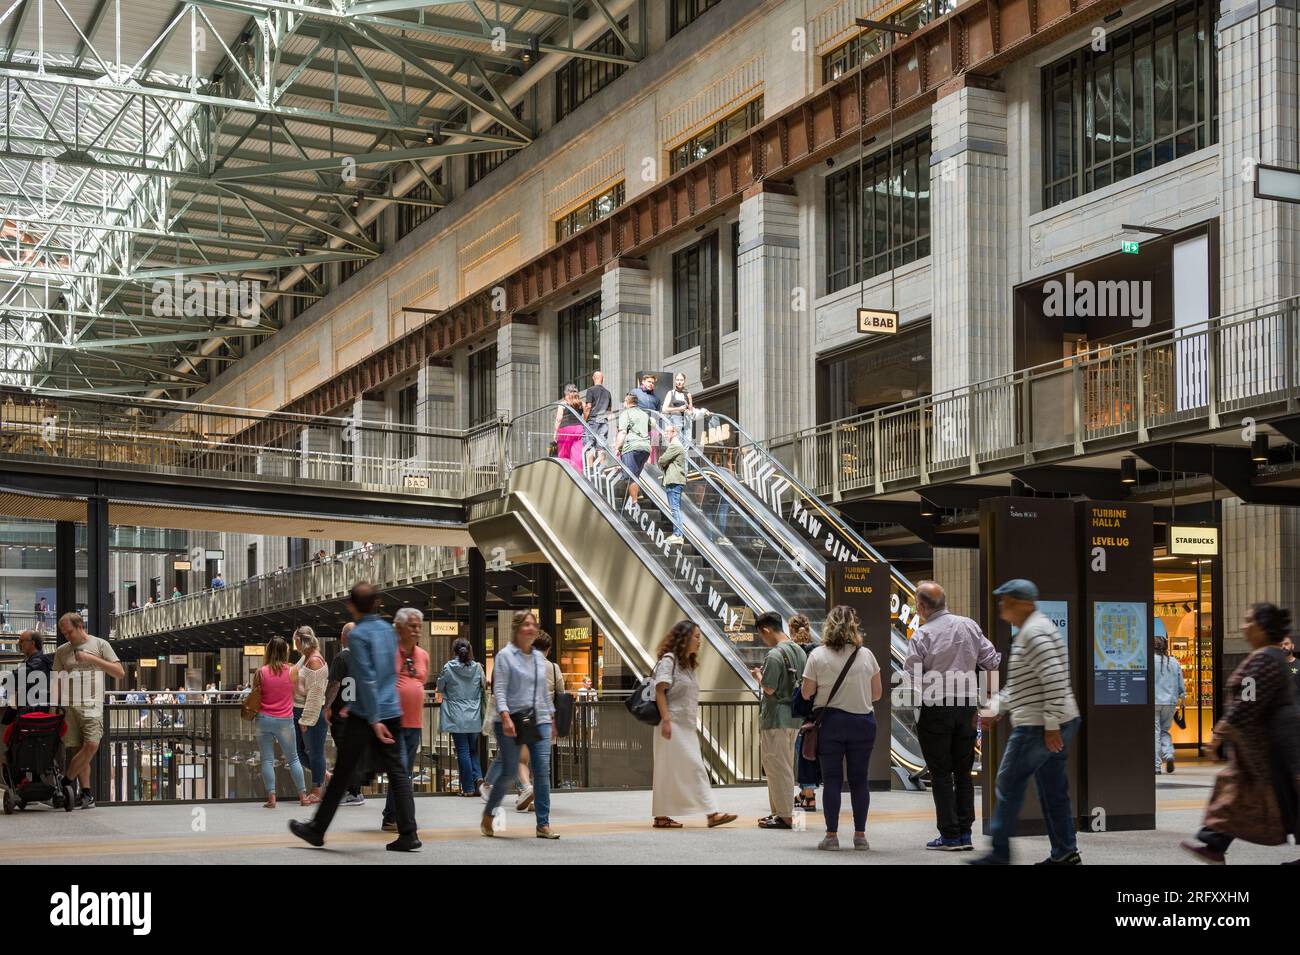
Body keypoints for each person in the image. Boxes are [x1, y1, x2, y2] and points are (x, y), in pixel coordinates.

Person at [290, 582, 420, 851]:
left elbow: (367, 678)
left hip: (367, 715)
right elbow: (388, 673)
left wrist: (372, 718)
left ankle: (316, 830)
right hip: (393, 709)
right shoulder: (387, 631)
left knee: (342, 773)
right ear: (377, 604)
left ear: (350, 605)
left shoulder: (359, 636)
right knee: (398, 771)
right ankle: (409, 833)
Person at [973, 579, 1082, 866]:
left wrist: (1050, 725)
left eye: (1006, 600)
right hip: (1048, 720)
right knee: (1052, 788)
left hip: (1036, 725)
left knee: (1008, 782)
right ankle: (1065, 854)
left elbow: (1055, 679)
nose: (1001, 605)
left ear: (1025, 603)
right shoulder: (1030, 632)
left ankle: (999, 853)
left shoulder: (1034, 633)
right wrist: (994, 707)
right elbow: (1021, 686)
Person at [1181, 602, 1300, 864]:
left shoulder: (1265, 659)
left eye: (1249, 621)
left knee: (1283, 798)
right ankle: (1214, 842)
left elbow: (1246, 703)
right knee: (1242, 793)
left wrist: (1218, 735)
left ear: (1262, 628)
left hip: (1276, 747)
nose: (1244, 626)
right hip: (1266, 746)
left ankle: (1214, 842)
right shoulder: (1267, 657)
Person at [903, 580, 1001, 851]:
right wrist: (989, 704)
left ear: (921, 607)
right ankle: (965, 833)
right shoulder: (968, 625)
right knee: (962, 773)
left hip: (936, 709)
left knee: (941, 774)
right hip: (968, 708)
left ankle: (949, 835)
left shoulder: (921, 635)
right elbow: (992, 662)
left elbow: (912, 679)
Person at [800, 604, 882, 850]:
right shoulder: (866, 655)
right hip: (863, 723)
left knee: (833, 781)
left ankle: (832, 836)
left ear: (828, 626)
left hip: (832, 724)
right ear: (854, 626)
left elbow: (806, 693)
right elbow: (876, 694)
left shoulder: (817, 655)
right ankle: (860, 836)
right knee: (859, 781)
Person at [650, 620, 737, 830]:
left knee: (668, 770)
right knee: (695, 767)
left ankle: (661, 816)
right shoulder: (669, 660)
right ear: (684, 638)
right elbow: (659, 690)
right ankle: (712, 813)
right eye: (696, 636)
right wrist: (667, 721)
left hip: (685, 725)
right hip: (671, 724)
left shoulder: (688, 664)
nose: (699, 641)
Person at [480, 610, 559, 839]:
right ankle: (489, 814)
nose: (531, 628)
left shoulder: (536, 657)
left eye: (534, 624)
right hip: (510, 719)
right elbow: (500, 689)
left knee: (542, 770)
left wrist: (551, 716)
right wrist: (504, 716)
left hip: (538, 719)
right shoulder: (505, 656)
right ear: (516, 628)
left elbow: (542, 691)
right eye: (526, 624)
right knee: (507, 772)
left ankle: (542, 824)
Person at [52, 612, 124, 810]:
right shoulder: (62, 651)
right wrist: (54, 708)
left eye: (69, 632)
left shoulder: (100, 645)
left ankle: (65, 781)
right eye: (64, 634)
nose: (67, 637)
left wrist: (90, 659)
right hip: (69, 705)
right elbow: (57, 680)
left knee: (91, 744)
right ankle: (86, 793)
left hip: (92, 704)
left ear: (80, 627)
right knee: (77, 748)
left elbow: (119, 672)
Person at [751, 611, 806, 830]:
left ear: (766, 630)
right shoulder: (799, 652)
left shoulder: (774, 655)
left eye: (761, 635)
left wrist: (758, 677)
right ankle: (779, 813)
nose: (763, 639)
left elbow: (770, 688)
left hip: (776, 718)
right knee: (784, 765)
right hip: (794, 716)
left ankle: (784, 815)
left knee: (777, 766)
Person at [383, 607, 428, 833]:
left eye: (419, 626)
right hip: (394, 723)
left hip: (415, 724)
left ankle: (390, 816)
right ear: (399, 627)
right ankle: (404, 821)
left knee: (403, 772)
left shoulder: (423, 655)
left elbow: (422, 680)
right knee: (401, 772)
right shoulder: (389, 652)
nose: (417, 630)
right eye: (412, 626)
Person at [253, 636, 312, 809]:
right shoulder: (292, 671)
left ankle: (272, 798)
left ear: (269, 651)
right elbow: (298, 692)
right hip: (285, 720)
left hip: (264, 719)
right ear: (285, 651)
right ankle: (303, 796)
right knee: (293, 759)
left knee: (267, 760)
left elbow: (255, 695)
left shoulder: (260, 672)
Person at [436, 637, 486, 796]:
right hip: (474, 714)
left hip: (456, 715)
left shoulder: (448, 667)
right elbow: (484, 685)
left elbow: (440, 687)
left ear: (454, 651)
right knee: (472, 750)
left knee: (463, 751)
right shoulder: (478, 668)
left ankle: (468, 788)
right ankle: (478, 778)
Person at [324, 621, 365, 806]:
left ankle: (353, 792)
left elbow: (334, 685)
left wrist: (326, 706)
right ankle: (355, 791)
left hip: (342, 714)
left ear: (344, 637)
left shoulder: (341, 658)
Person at [292, 626, 328, 802]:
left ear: (301, 640)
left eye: (295, 641)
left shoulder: (315, 661)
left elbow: (315, 695)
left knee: (315, 752)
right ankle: (325, 775)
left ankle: (317, 789)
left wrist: (306, 719)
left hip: (311, 713)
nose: (294, 645)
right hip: (298, 710)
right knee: (299, 752)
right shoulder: (305, 657)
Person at [788, 614, 819, 811]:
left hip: (798, 705)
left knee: (801, 749)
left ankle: (808, 795)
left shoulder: (790, 651)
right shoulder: (818, 650)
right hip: (817, 706)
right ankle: (807, 793)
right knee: (812, 749)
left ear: (791, 630)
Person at [1153, 635, 1187, 775]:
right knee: (1164, 731)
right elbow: (1181, 683)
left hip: (1154, 702)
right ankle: (1169, 754)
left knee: (1154, 732)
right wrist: (1183, 698)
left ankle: (1156, 765)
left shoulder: (1150, 661)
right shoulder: (1174, 662)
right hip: (1170, 702)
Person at [613, 392, 652, 505]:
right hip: (645, 448)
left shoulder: (626, 413)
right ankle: (637, 495)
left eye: (625, 401)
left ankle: (635, 503)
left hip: (631, 447)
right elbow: (650, 426)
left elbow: (623, 432)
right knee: (635, 475)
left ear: (628, 402)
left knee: (630, 476)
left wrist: (617, 447)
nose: (624, 403)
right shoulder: (645, 414)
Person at [659, 423, 687, 546]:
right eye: (665, 432)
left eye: (668, 431)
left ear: (674, 432)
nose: (666, 434)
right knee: (675, 507)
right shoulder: (675, 445)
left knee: (674, 508)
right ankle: (678, 534)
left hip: (674, 480)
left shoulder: (675, 445)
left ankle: (677, 534)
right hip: (675, 480)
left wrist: (662, 462)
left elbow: (662, 460)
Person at [583, 370, 613, 468]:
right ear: (602, 379)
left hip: (592, 420)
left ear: (593, 378)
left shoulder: (591, 390)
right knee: (601, 447)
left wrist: (584, 419)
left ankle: (590, 469)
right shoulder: (608, 393)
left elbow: (588, 407)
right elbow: (609, 410)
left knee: (589, 445)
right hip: (604, 421)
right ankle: (602, 469)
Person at [554, 384, 587, 470]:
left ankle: (564, 473)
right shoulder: (581, 403)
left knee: (563, 454)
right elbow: (587, 415)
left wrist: (555, 432)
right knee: (577, 454)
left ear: (566, 393)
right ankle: (578, 475)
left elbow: (558, 419)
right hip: (578, 429)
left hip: (565, 430)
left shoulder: (563, 404)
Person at [634, 372, 663, 464]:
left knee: (652, 449)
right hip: (638, 426)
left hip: (652, 427)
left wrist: (660, 431)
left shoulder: (656, 398)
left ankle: (650, 468)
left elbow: (658, 416)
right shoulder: (635, 392)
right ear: (643, 382)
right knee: (639, 449)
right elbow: (628, 407)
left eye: (653, 382)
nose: (651, 384)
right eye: (649, 381)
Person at [663, 372, 694, 440]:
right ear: (675, 381)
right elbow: (664, 409)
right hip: (675, 421)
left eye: (681, 380)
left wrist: (689, 412)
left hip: (686, 422)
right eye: (677, 380)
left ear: (684, 381)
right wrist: (678, 409)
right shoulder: (671, 393)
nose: (679, 382)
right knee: (677, 441)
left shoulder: (688, 394)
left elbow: (691, 411)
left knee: (686, 442)